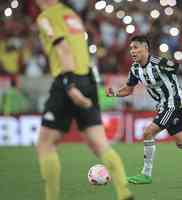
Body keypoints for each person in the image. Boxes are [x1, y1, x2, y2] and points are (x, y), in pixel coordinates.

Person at [34, 1, 133, 200]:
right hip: (88, 78)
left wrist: (70, 86)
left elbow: (63, 49)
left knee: (45, 143)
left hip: (67, 79)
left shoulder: (45, 18)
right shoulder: (71, 15)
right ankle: (124, 193)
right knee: (99, 144)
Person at [106, 35, 182, 184]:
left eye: (136, 47)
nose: (132, 51)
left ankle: (145, 174)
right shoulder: (135, 69)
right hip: (163, 105)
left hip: (173, 104)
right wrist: (114, 93)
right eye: (131, 49)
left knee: (148, 132)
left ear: (145, 48)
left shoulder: (160, 63)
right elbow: (128, 90)